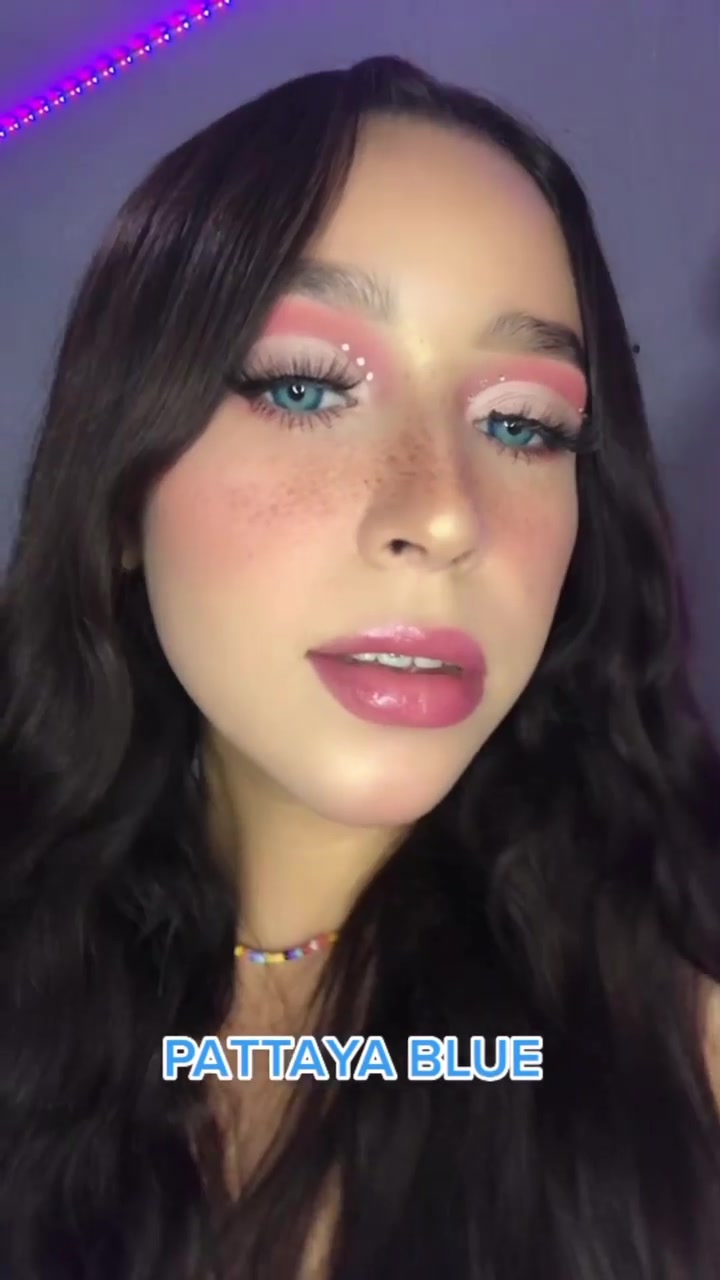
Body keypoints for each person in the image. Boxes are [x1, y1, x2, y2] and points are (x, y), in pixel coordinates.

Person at [2, 51, 720, 1280]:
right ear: (120, 495)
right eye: (305, 386)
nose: (442, 513)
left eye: (523, 423)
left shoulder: (684, 1039)